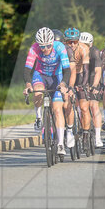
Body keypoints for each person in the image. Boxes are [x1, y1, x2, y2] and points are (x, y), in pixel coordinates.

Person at [24, 27, 72, 156]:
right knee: (37, 91)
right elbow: (27, 70)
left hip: (57, 77)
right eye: (42, 46)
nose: (45, 49)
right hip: (40, 75)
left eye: (48, 45)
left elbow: (67, 70)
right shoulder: (34, 48)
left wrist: (63, 84)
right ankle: (39, 117)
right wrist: (28, 84)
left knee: (57, 109)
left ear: (52, 42)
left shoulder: (60, 47)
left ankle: (61, 144)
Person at [62, 27, 85, 149]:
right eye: (69, 42)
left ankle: (81, 117)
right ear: (65, 42)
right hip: (67, 76)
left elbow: (89, 69)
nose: (72, 44)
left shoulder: (83, 49)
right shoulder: (64, 50)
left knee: (81, 101)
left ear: (78, 41)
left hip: (81, 75)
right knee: (65, 102)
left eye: (75, 42)